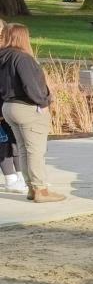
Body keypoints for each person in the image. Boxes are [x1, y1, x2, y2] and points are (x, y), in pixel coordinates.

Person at [0, 24, 64, 202]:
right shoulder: (22, 58)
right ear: (23, 37)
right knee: (35, 150)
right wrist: (44, 102)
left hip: (9, 107)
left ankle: (31, 187)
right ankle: (40, 189)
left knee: (23, 148)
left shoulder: (3, 57)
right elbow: (30, 85)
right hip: (26, 107)